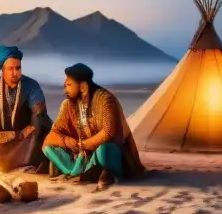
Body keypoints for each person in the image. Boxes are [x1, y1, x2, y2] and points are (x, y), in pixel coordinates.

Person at [42, 62, 145, 191]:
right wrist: (66, 141)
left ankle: (105, 171)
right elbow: (53, 135)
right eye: (65, 85)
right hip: (82, 156)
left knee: (104, 151)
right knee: (49, 148)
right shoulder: (68, 105)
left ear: (83, 87)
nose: (65, 90)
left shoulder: (105, 100)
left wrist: (84, 145)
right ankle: (75, 171)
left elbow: (108, 133)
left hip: (105, 151)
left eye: (69, 85)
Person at [0, 45, 52, 172]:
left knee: (42, 124)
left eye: (18, 68)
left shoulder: (32, 86)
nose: (15, 73)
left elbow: (39, 111)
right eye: (10, 69)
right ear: (2, 70)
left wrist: (18, 134)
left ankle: (25, 163)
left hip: (23, 139)